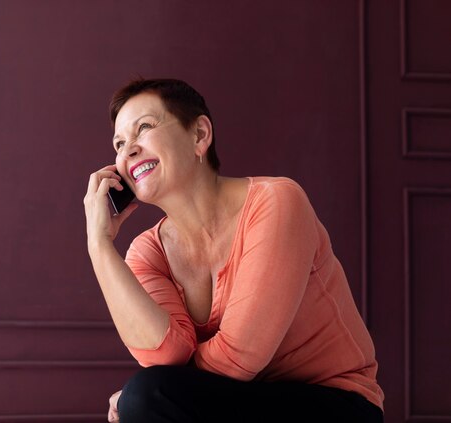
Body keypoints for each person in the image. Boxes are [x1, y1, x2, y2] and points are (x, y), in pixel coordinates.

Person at [83, 78, 384, 422]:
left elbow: (238, 358)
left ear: (199, 135)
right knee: (146, 396)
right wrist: (100, 245)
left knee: (144, 396)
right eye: (119, 144)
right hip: (237, 403)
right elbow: (166, 356)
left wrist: (147, 397)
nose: (128, 151)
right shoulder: (148, 252)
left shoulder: (276, 203)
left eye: (144, 128)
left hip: (336, 405)